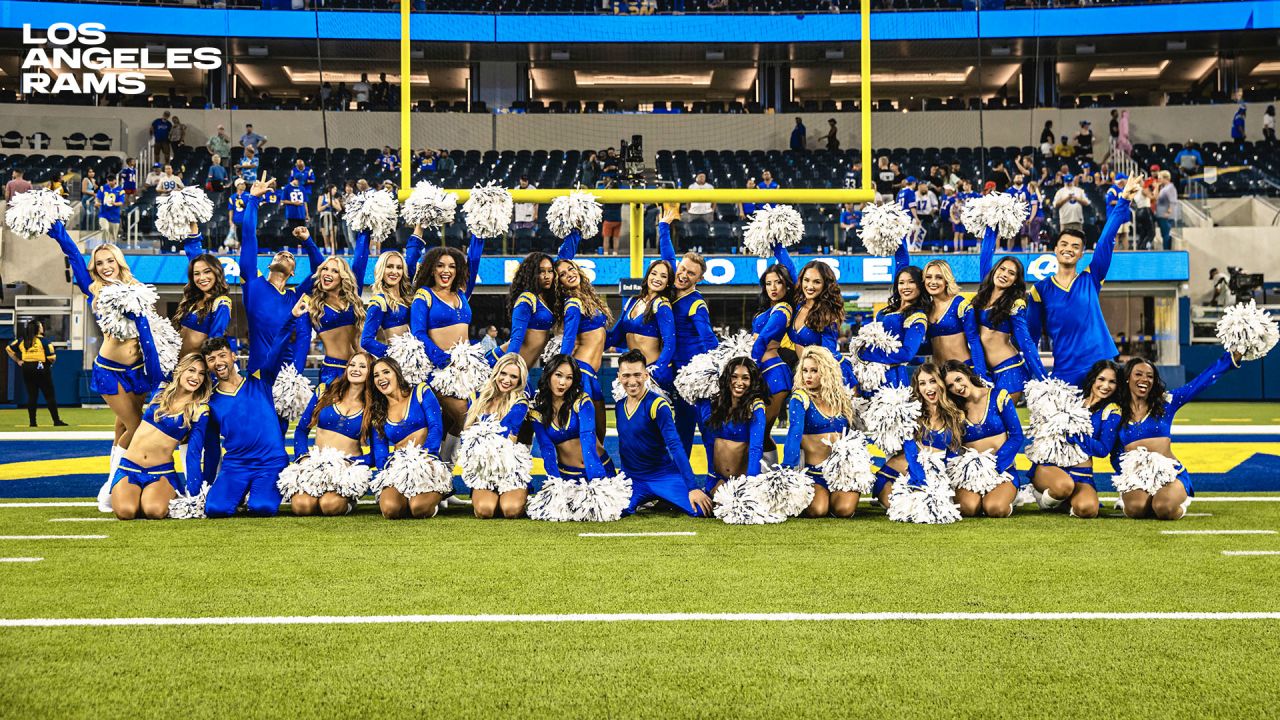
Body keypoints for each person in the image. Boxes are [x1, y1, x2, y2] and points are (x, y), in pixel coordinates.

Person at [48, 222, 161, 511]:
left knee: (122, 427)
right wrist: (59, 230)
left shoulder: (137, 287)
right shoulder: (94, 288)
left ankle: (118, 487)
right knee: (137, 426)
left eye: (110, 260)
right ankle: (111, 487)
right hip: (110, 370)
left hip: (137, 371)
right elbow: (74, 255)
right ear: (94, 268)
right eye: (99, 263)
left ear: (119, 261)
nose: (106, 266)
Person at [1028, 175, 1142, 386]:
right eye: (1064, 244)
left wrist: (1124, 200)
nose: (1068, 249)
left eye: (1075, 247)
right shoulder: (1040, 290)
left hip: (1100, 367)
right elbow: (1031, 337)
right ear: (1055, 249)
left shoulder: (1091, 277)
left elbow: (1106, 240)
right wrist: (1034, 375)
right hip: (1065, 370)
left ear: (1081, 254)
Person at [199, 297, 303, 518]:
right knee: (214, 509)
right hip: (236, 466)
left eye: (221, 355)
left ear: (233, 356)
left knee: (262, 508)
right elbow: (212, 449)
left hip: (271, 462)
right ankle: (237, 490)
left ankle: (254, 493)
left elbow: (276, 349)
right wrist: (205, 486)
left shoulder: (259, 380)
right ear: (207, 366)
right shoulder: (210, 402)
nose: (217, 362)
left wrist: (292, 317)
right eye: (211, 359)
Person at [1114, 350, 1244, 520]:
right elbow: (1114, 451)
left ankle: (1181, 502)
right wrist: (1126, 478)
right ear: (1127, 378)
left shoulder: (1165, 402)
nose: (1144, 379)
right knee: (1135, 510)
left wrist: (1230, 360)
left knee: (1163, 508)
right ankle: (1137, 498)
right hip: (1137, 476)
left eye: (1150, 376)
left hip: (1170, 473)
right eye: (1138, 374)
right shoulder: (1116, 411)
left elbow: (1200, 382)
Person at [110, 354, 214, 520]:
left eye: (201, 374)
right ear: (180, 370)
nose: (196, 377)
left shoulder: (199, 410)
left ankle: (155, 495)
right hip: (129, 467)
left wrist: (195, 497)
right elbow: (151, 350)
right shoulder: (161, 389)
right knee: (126, 512)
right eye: (191, 370)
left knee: (154, 511)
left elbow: (193, 453)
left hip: (161, 472)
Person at [239, 180, 325, 379]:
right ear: (269, 265)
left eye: (291, 257)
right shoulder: (252, 283)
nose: (285, 255)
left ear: (293, 273)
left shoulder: (295, 296)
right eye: (279, 255)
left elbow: (321, 271)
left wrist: (308, 241)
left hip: (288, 377)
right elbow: (249, 238)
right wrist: (253, 200)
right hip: (257, 374)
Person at [409, 231, 483, 453]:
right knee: (466, 416)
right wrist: (443, 360)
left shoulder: (462, 293)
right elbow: (419, 333)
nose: (446, 271)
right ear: (432, 269)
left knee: (460, 421)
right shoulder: (424, 295)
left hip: (467, 369)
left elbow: (475, 260)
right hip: (439, 370)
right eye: (440, 266)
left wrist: (480, 231)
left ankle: (445, 468)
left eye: (451, 266)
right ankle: (445, 466)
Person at [614, 351, 711, 517]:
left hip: (663, 476)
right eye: (626, 375)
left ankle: (665, 497)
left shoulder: (658, 404)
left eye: (637, 375)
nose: (632, 381)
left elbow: (675, 446)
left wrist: (692, 487)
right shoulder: (619, 405)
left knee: (702, 510)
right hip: (632, 480)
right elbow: (626, 445)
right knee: (612, 511)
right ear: (619, 377)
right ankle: (658, 499)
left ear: (646, 375)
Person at [1026, 359, 1120, 519]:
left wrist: (1076, 433)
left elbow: (1103, 449)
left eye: (1112, 382)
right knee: (1063, 486)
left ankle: (1061, 500)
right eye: (1102, 379)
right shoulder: (1071, 400)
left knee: (1088, 510)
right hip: (1051, 467)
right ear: (1093, 379)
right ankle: (1044, 499)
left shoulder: (1112, 411)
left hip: (1082, 473)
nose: (1106, 386)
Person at [658, 208, 718, 452]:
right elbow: (667, 257)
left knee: (706, 427)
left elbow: (709, 338)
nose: (682, 274)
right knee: (681, 427)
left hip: (694, 374)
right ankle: (682, 480)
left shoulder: (696, 303)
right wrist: (663, 226)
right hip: (676, 371)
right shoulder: (672, 286)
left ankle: (716, 476)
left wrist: (715, 368)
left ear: (699, 279)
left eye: (690, 273)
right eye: (682, 269)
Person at [285, 352, 375, 516]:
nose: (356, 369)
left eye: (363, 366)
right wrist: (303, 456)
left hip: (346, 470)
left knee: (329, 506)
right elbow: (301, 430)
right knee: (301, 506)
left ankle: (349, 502)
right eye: (352, 365)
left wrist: (351, 462)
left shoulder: (373, 406)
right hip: (316, 465)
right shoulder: (324, 391)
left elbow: (376, 454)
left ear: (370, 372)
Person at [872, 362, 965, 510]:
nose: (928, 388)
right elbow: (910, 450)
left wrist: (940, 480)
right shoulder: (912, 413)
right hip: (895, 475)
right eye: (922, 383)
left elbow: (953, 453)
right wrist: (919, 480)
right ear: (918, 387)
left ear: (942, 383)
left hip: (937, 477)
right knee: (906, 509)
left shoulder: (956, 414)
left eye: (932, 381)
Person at [783, 347, 860, 518]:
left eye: (814, 371)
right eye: (804, 371)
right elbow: (793, 435)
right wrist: (787, 471)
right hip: (814, 474)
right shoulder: (800, 398)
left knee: (844, 510)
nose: (808, 376)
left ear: (825, 372)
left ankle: (835, 497)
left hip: (841, 473)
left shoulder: (841, 398)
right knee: (818, 510)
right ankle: (820, 497)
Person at [367, 357, 447, 519]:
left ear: (397, 373)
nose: (381, 378)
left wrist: (428, 455)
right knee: (390, 510)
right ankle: (403, 496)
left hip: (426, 463)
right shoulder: (377, 411)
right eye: (376, 375)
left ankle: (438, 496)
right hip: (398, 468)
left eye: (386, 372)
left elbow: (436, 427)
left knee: (419, 508)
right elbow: (380, 451)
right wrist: (388, 469)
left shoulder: (420, 391)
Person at [943, 360, 1023, 518]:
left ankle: (1008, 496)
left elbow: (1016, 435)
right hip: (970, 475)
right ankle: (982, 498)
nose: (957, 387)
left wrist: (995, 467)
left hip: (1000, 470)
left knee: (995, 509)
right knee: (968, 508)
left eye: (958, 379)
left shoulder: (998, 395)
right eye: (950, 386)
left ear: (967, 374)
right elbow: (953, 446)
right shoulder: (954, 409)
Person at [294, 227, 369, 385]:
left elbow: (360, 262)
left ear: (342, 277)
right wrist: (294, 379)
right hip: (333, 372)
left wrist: (366, 228)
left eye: (334, 271)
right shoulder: (311, 305)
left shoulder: (352, 297)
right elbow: (303, 343)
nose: (327, 273)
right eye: (325, 269)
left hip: (360, 368)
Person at [530, 355, 616, 492]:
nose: (563, 382)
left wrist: (597, 481)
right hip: (568, 477)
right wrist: (555, 483)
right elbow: (547, 449)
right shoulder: (538, 413)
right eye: (558, 375)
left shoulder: (582, 401)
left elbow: (588, 436)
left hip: (600, 470)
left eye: (569, 377)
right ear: (548, 374)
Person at [462, 354, 532, 519]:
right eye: (503, 373)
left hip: (510, 469)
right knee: (485, 511)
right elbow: (466, 437)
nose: (507, 380)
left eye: (513, 376)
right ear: (496, 373)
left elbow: (505, 432)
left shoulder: (520, 402)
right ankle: (493, 498)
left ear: (520, 380)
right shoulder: (479, 400)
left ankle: (515, 496)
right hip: (484, 471)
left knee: (510, 510)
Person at [555, 243, 613, 440]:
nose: (569, 274)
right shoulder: (573, 303)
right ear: (559, 283)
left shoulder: (588, 298)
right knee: (588, 434)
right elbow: (569, 339)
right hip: (582, 372)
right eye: (562, 274)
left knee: (600, 431)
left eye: (570, 268)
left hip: (591, 374)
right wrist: (560, 369)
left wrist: (576, 230)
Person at [971, 252, 1045, 402]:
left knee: (1004, 423)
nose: (1004, 274)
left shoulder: (1016, 304)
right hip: (984, 370)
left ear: (1015, 281)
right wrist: (991, 229)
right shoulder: (982, 295)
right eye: (1002, 269)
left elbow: (1026, 343)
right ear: (995, 270)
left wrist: (1044, 379)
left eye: (1011, 273)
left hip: (1009, 371)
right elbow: (985, 256)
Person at [697, 357, 767, 495]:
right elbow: (707, 438)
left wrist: (751, 485)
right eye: (734, 376)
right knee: (699, 510)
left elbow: (756, 448)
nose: (739, 382)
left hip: (741, 482)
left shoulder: (756, 407)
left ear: (752, 381)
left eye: (745, 378)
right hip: (715, 479)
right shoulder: (716, 403)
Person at [607, 259, 677, 391]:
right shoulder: (633, 301)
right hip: (633, 373)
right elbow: (614, 336)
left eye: (663, 276)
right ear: (648, 276)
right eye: (654, 273)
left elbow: (670, 341)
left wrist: (656, 371)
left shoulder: (662, 304)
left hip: (653, 372)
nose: (657, 278)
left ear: (668, 283)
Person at [920, 260, 985, 373]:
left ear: (947, 280)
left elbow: (974, 341)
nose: (933, 282)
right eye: (928, 277)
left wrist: (981, 374)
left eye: (939, 277)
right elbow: (931, 346)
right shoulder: (926, 309)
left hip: (964, 371)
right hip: (939, 374)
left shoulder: (960, 304)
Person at [177, 226, 232, 356]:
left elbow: (215, 342)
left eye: (207, 272)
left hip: (195, 371)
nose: (202, 278)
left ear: (216, 272)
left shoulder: (222, 303)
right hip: (174, 366)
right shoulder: (195, 298)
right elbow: (193, 251)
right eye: (197, 274)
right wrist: (191, 217)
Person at [6, 320, 67, 427]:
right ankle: (56, 421)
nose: (42, 327)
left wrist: (18, 361)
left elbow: (9, 349)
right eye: (41, 326)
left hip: (27, 368)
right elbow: (52, 357)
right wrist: (49, 364)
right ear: (38, 329)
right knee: (49, 396)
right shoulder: (44, 341)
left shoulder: (22, 341)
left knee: (32, 396)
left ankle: (32, 423)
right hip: (41, 368)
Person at [1155, 170, 1178, 250]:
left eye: (1160, 178)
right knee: (1164, 235)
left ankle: (1167, 252)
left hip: (1166, 216)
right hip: (1161, 215)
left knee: (1166, 235)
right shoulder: (1163, 188)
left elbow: (1173, 201)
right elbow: (1156, 197)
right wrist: (1157, 186)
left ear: (1166, 178)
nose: (1158, 179)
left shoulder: (1170, 188)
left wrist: (1169, 212)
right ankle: (1166, 251)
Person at [95, 175, 122, 244]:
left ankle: (112, 250)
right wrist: (97, 202)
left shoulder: (120, 190)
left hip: (114, 216)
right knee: (104, 229)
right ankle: (104, 245)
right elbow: (98, 198)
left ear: (115, 181)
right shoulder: (103, 188)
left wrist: (114, 203)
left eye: (111, 181)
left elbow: (121, 202)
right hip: (103, 214)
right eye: (108, 181)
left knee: (113, 237)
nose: (110, 182)